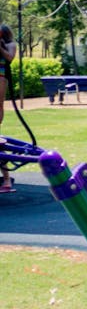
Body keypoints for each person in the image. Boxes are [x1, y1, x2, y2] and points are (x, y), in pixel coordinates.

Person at [0, 25, 16, 192]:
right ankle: (5, 180)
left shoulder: (10, 44)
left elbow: (10, 58)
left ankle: (6, 180)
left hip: (1, 75)